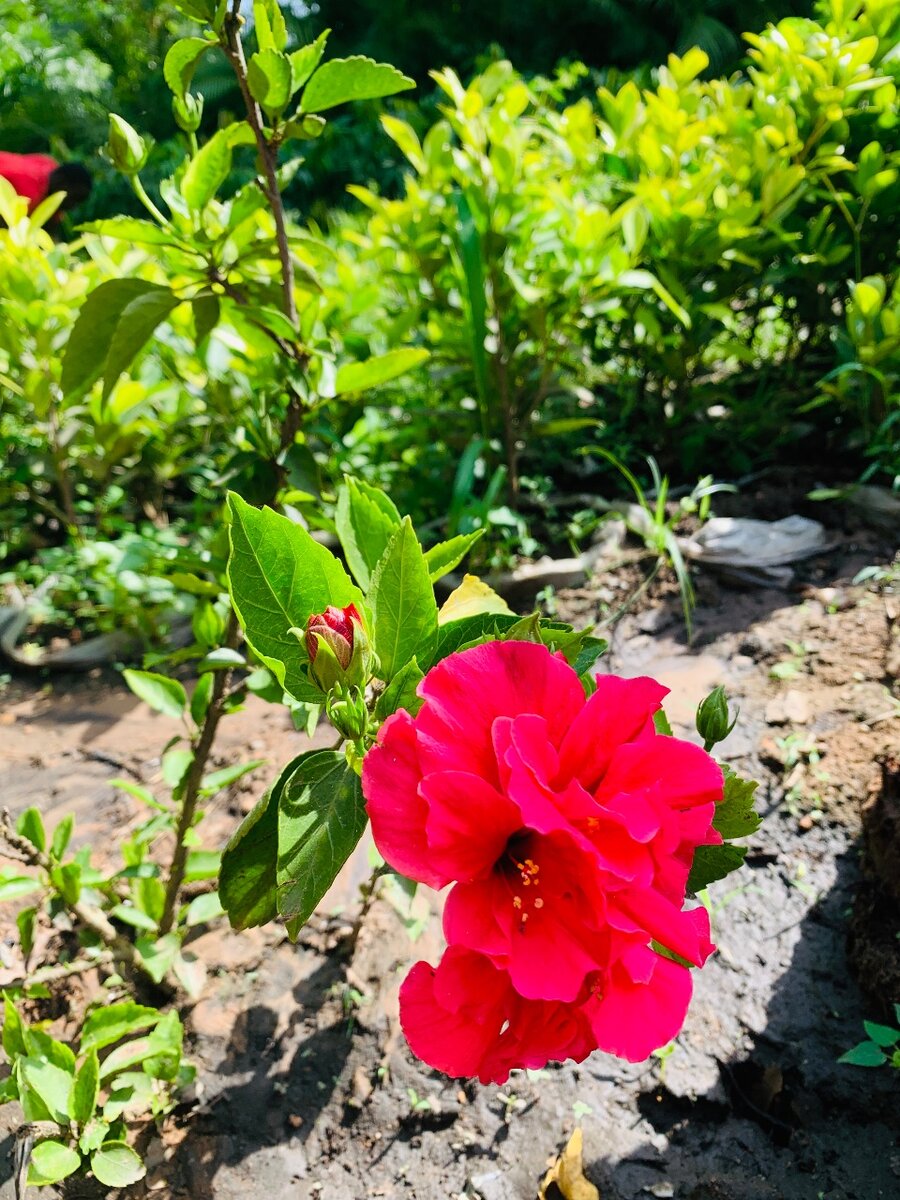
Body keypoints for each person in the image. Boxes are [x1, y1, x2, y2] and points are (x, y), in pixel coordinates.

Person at [0, 152, 92, 215]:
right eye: (74, 198)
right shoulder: (29, 196)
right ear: (61, 182)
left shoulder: (48, 163)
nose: (73, 207)